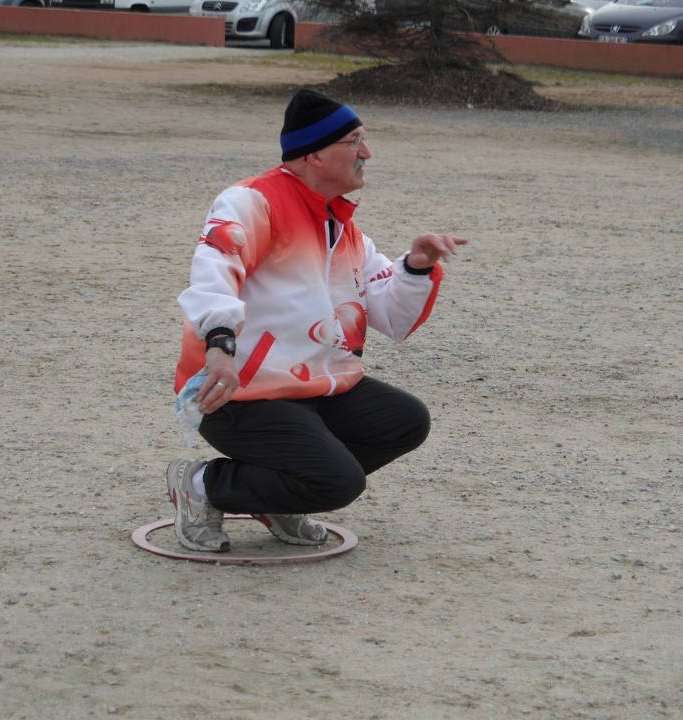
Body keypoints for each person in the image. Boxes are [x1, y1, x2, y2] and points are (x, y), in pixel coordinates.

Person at [167, 88, 468, 553]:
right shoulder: (252, 202)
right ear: (313, 153)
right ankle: (201, 484)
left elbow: (391, 317)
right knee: (338, 481)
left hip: (316, 388)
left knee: (406, 421)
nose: (366, 153)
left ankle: (276, 495)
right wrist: (220, 348)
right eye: (354, 141)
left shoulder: (345, 230)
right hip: (238, 391)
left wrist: (417, 267)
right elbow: (212, 276)